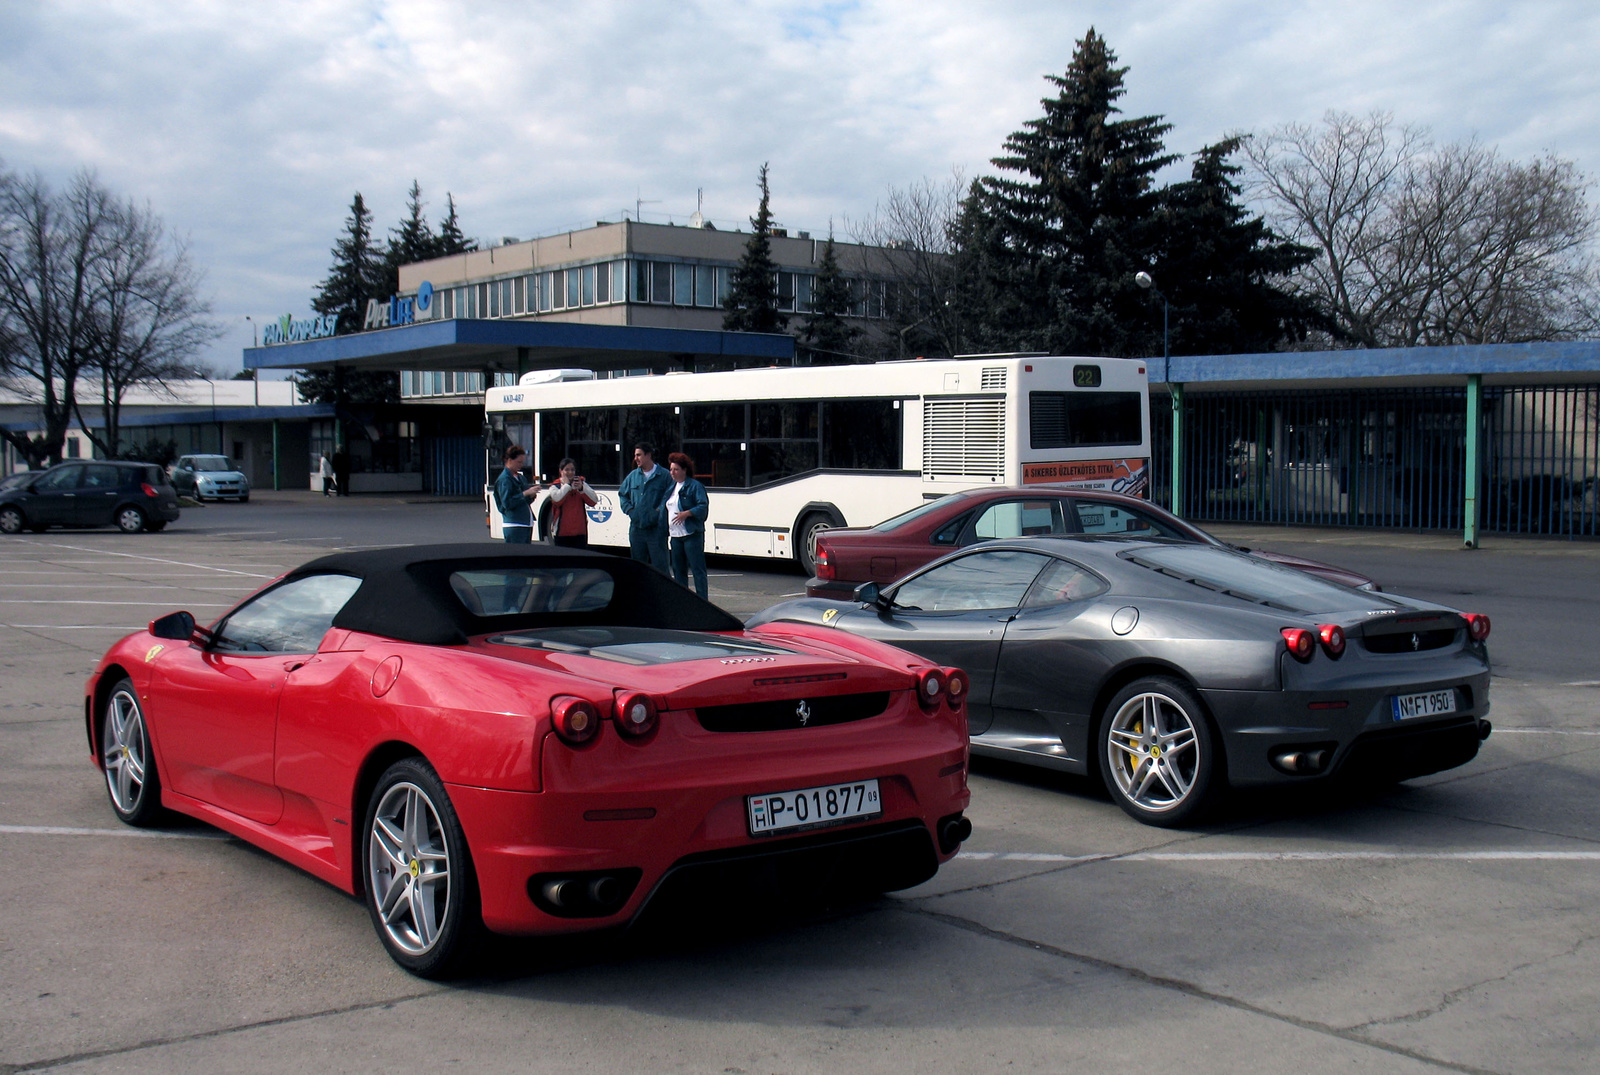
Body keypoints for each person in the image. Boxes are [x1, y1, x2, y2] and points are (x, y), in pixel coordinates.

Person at [618, 443, 670, 571]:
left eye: (639, 455)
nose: (636, 458)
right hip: (637, 529)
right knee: (638, 568)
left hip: (656, 530)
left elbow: (670, 497)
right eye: (635, 455)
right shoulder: (632, 476)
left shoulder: (664, 476)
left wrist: (658, 511)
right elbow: (622, 495)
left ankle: (661, 591)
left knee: (660, 568)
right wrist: (630, 511)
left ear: (648, 455)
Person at [665, 452, 710, 599]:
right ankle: (683, 600)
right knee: (678, 570)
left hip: (691, 534)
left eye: (676, 469)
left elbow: (703, 506)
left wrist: (687, 513)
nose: (672, 473)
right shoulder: (671, 487)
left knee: (697, 569)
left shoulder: (694, 486)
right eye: (671, 469)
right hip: (675, 535)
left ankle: (703, 601)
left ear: (684, 470)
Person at [547, 457, 599, 548]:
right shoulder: (555, 486)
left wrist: (582, 489)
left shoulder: (581, 483)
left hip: (580, 533)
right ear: (561, 471)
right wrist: (567, 486)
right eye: (567, 470)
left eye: (572, 470)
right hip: (561, 533)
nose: (570, 472)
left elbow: (594, 501)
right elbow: (557, 500)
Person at [494, 445, 538, 544]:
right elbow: (507, 503)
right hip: (514, 524)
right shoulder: (505, 479)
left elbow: (525, 501)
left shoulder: (520, 477)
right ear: (509, 460)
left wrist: (531, 495)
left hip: (525, 523)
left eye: (522, 462)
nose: (521, 465)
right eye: (518, 462)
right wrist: (525, 493)